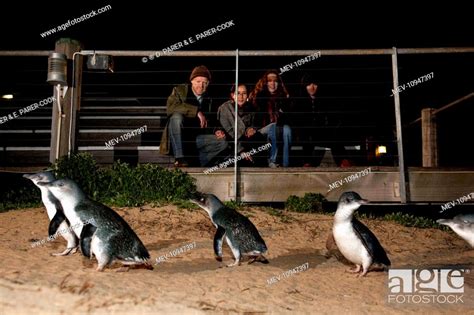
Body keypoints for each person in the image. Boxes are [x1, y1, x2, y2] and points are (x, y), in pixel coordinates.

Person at [160, 65, 225, 167]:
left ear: (208, 84)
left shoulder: (209, 99)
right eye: (198, 81)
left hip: (198, 139)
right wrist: (197, 111)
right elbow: (171, 107)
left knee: (223, 142)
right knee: (176, 117)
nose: (201, 85)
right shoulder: (180, 90)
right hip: (180, 138)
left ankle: (195, 163)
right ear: (192, 81)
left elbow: (212, 120)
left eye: (205, 82)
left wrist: (217, 130)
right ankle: (180, 159)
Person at [294, 73, 347, 167]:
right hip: (308, 133)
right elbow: (300, 122)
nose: (312, 87)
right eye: (309, 85)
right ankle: (307, 163)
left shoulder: (325, 100)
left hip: (322, 132)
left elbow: (331, 119)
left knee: (334, 135)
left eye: (314, 84)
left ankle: (343, 161)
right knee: (305, 135)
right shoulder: (300, 102)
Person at [217, 84, 269, 167]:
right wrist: (241, 151)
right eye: (238, 93)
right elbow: (229, 133)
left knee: (258, 138)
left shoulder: (251, 108)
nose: (241, 96)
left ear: (247, 95)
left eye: (244, 93)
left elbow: (256, 124)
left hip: (246, 143)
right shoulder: (225, 108)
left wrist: (252, 128)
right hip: (232, 145)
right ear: (232, 95)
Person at [249, 70, 292, 167]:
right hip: (262, 130)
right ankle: (272, 161)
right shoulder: (258, 96)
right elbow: (251, 117)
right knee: (273, 127)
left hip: (279, 129)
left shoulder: (284, 98)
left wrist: (286, 103)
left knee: (287, 130)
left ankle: (285, 164)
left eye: (275, 80)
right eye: (269, 80)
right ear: (265, 82)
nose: (272, 83)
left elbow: (288, 119)